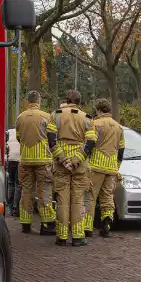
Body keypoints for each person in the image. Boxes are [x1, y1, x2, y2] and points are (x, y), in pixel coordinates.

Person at [52, 89, 96, 247]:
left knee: (62, 200)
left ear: (66, 99)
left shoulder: (55, 115)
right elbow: (90, 143)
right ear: (79, 102)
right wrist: (77, 160)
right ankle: (78, 236)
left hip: (60, 164)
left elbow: (51, 140)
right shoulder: (87, 118)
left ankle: (62, 237)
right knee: (77, 201)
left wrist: (63, 160)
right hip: (79, 165)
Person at [14, 90, 57, 235]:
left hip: (25, 159)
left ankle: (26, 224)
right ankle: (47, 225)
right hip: (43, 160)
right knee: (44, 191)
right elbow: (52, 138)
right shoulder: (47, 116)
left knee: (26, 191)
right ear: (39, 101)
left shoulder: (20, 117)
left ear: (28, 101)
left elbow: (19, 137)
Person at [84, 98, 125, 238]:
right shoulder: (118, 127)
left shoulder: (95, 124)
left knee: (90, 197)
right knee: (107, 197)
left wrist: (84, 161)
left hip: (96, 166)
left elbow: (90, 144)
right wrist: (117, 167)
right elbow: (121, 150)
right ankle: (107, 223)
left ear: (98, 110)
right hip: (111, 168)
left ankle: (87, 228)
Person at [5, 127, 20, 217]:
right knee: (18, 184)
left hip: (10, 160)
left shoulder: (8, 132)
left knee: (10, 183)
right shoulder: (23, 130)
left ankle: (10, 208)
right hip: (19, 160)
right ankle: (16, 208)